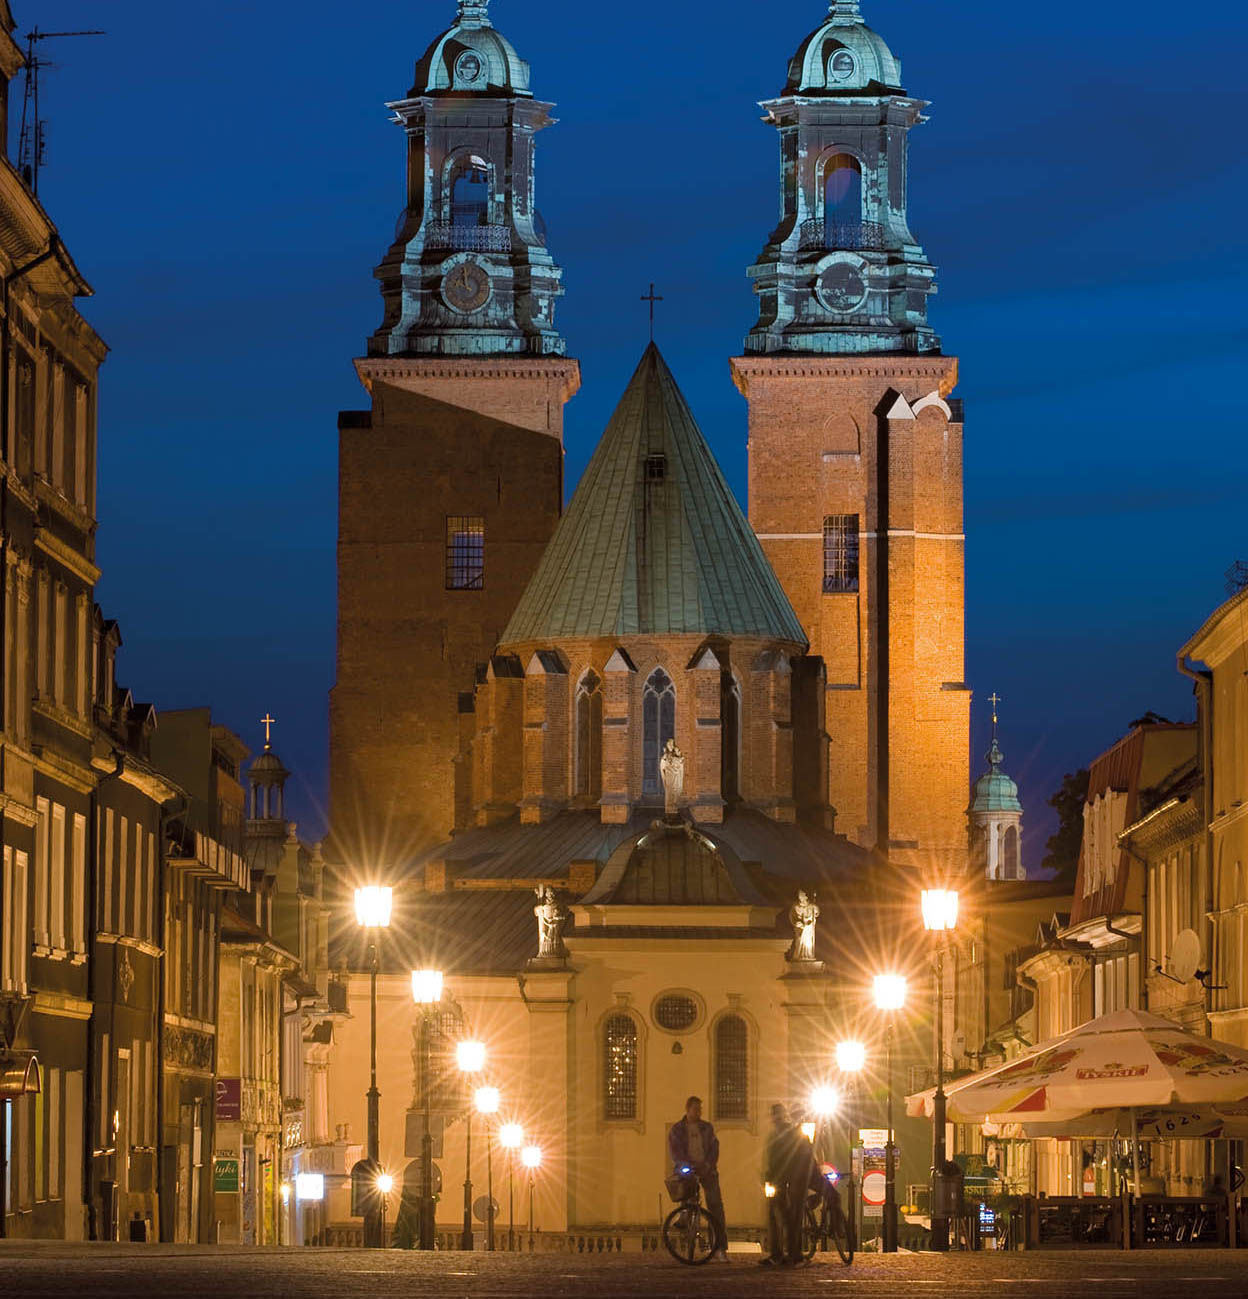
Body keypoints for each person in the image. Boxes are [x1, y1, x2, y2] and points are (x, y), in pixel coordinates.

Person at [668, 1094, 728, 1263]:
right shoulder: (677, 1129)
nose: (699, 1112)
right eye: (696, 1109)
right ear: (687, 1109)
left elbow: (714, 1148)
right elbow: (675, 1152)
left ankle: (720, 1247)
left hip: (706, 1169)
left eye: (700, 1109)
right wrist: (685, 1165)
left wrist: (708, 1164)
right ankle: (684, 1215)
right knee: (686, 1195)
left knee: (715, 1205)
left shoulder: (707, 1128)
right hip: (689, 1169)